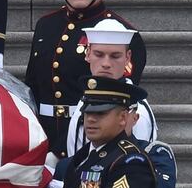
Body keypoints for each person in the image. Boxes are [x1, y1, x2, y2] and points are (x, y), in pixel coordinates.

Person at [25, 0, 147, 161]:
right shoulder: (46, 25)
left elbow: (117, 98)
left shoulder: (122, 35)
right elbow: (32, 88)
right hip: (41, 137)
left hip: (88, 139)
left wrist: (61, 150)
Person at [17, 76, 155, 188]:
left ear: (123, 118)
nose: (90, 119)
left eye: (100, 114)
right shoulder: (84, 157)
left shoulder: (130, 162)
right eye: (88, 113)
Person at [65, 19, 157, 156]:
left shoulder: (136, 109)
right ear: (88, 53)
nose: (106, 63)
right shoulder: (86, 98)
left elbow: (137, 164)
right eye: (99, 54)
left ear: (127, 57)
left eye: (115, 56)